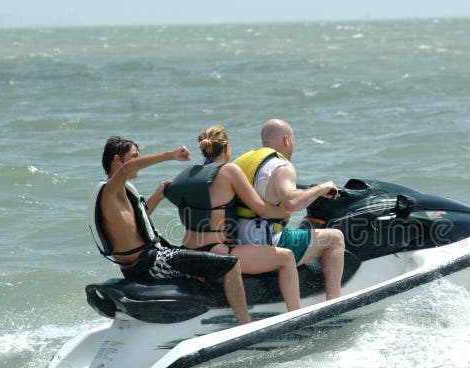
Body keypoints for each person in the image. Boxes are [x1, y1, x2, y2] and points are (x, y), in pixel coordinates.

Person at [94, 136, 251, 324]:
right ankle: (245, 323)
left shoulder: (120, 193)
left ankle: (208, 311)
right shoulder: (110, 190)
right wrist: (170, 155)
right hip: (152, 263)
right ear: (118, 160)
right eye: (135, 156)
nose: (137, 160)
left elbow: (140, 220)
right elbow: (126, 169)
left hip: (140, 264)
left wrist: (158, 195)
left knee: (200, 260)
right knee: (230, 263)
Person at [164, 125, 302, 311]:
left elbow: (170, 192)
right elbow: (261, 208)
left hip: (187, 249)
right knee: (286, 257)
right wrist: (285, 213)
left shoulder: (190, 173)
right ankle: (291, 315)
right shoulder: (230, 171)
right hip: (216, 251)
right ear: (226, 148)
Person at [233, 119, 345, 300]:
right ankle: (334, 302)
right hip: (264, 242)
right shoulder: (282, 166)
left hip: (235, 241)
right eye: (293, 140)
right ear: (286, 140)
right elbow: (292, 202)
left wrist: (309, 193)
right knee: (335, 238)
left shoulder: (243, 161)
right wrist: (323, 188)